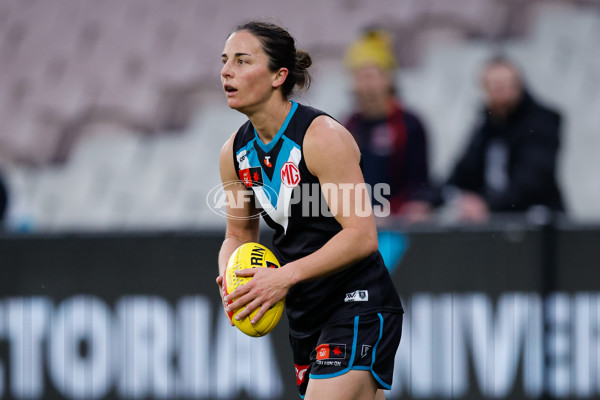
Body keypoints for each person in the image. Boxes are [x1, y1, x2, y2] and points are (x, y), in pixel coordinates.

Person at [215, 21, 403, 400]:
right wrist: (231, 280)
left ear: (278, 75)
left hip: (356, 300)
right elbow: (238, 235)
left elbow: (362, 236)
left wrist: (283, 277)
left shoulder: (323, 137)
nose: (226, 71)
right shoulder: (232, 153)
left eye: (241, 60)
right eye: (224, 61)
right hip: (305, 312)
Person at [440, 55, 565, 222]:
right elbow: (462, 172)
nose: (502, 92)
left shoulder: (541, 121)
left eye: (507, 84)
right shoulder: (487, 126)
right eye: (495, 86)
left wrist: (487, 204)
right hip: (494, 221)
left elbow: (533, 179)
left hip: (535, 221)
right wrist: (427, 200)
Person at [343, 28, 432, 223]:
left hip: (397, 222)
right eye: (361, 77)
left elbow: (420, 182)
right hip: (359, 222)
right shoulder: (349, 125)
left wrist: (392, 211)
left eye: (371, 76)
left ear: (387, 79)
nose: (367, 85)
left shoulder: (408, 123)